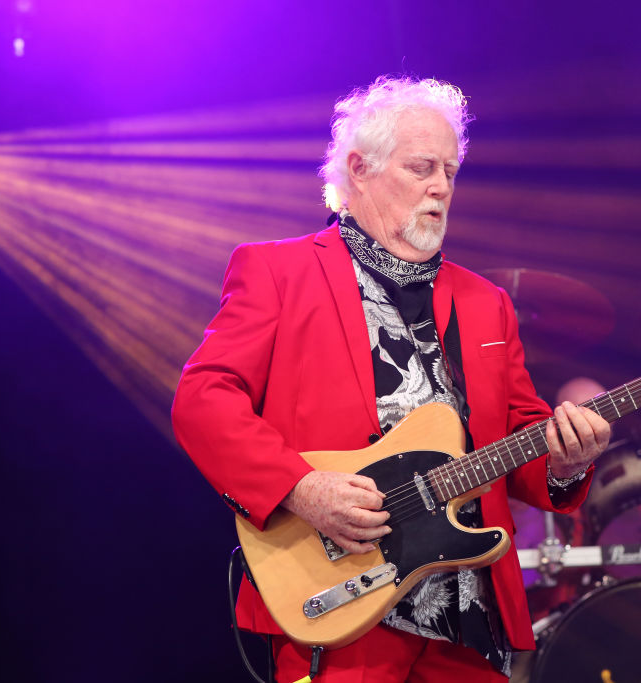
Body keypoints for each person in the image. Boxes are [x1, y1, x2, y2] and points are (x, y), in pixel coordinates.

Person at [171, 75, 611, 683]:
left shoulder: (487, 303)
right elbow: (202, 400)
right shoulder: (277, 271)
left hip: (468, 617)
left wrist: (566, 460)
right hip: (339, 606)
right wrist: (299, 488)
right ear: (359, 169)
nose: (441, 187)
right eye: (421, 167)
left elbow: (520, 438)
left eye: (451, 172)